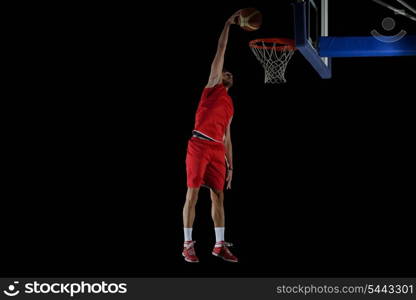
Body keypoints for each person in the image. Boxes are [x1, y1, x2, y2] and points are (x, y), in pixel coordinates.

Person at [182, 10, 242, 263]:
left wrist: (231, 165)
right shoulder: (212, 85)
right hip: (199, 144)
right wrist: (228, 23)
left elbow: (227, 137)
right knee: (192, 193)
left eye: (230, 73)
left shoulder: (230, 105)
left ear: (233, 81)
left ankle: (219, 245)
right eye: (224, 71)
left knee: (219, 196)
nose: (226, 72)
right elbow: (221, 49)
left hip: (217, 149)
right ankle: (187, 244)